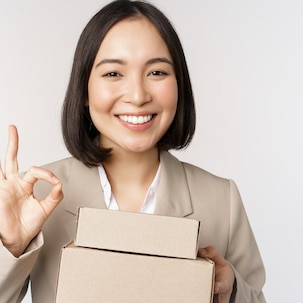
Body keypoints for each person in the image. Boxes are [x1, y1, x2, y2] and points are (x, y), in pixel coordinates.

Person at [0, 0, 266, 302]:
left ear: (179, 85)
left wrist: (231, 291)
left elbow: (256, 296)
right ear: (84, 90)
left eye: (157, 73)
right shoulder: (37, 196)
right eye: (113, 74)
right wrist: (10, 246)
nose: (138, 96)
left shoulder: (222, 199)